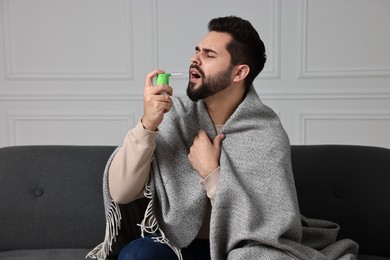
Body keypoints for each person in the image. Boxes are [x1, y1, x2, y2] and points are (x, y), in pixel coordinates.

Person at [88, 16, 358, 260]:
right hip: (175, 247)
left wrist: (210, 173)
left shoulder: (266, 133)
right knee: (139, 254)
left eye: (209, 54)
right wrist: (148, 124)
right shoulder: (175, 116)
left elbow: (263, 227)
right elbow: (122, 193)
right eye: (196, 51)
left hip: (238, 249)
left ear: (239, 73)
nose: (195, 59)